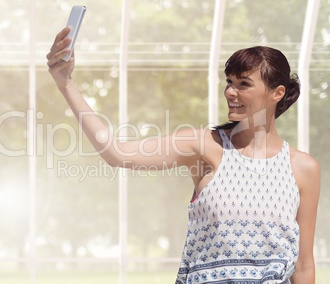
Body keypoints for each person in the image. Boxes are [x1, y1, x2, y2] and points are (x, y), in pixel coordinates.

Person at [47, 27, 320, 284]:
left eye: (244, 84)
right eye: (229, 82)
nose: (230, 92)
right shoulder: (203, 145)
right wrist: (66, 84)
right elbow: (116, 152)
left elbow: (303, 265)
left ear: (277, 93)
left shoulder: (303, 168)